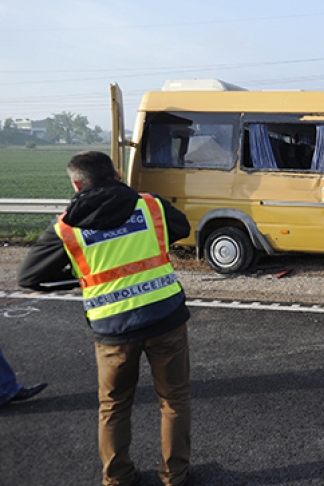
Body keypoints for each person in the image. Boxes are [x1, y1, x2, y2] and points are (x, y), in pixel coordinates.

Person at [17, 151, 193, 486]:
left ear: (76, 183)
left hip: (113, 330)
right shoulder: (149, 205)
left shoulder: (66, 227)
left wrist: (81, 279)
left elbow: (29, 278)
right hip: (166, 316)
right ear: (116, 174)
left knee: (113, 407)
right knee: (174, 400)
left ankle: (118, 478)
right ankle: (176, 476)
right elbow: (181, 227)